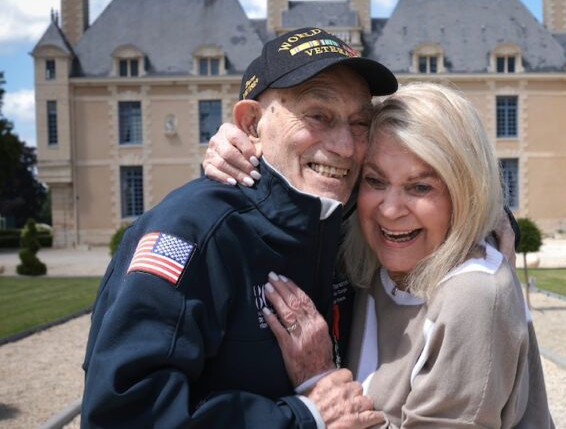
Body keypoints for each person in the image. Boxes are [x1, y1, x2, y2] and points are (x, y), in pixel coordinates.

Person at [81, 27, 399, 428]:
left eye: (359, 123)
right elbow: (123, 415)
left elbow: (436, 182)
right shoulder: (194, 231)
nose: (346, 146)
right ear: (250, 124)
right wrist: (306, 417)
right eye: (318, 115)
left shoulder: (348, 225)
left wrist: (484, 213)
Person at [212, 83, 554, 427]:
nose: (389, 211)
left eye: (420, 187)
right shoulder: (371, 259)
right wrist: (245, 143)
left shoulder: (473, 295)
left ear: (465, 191)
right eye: (375, 180)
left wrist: (321, 380)